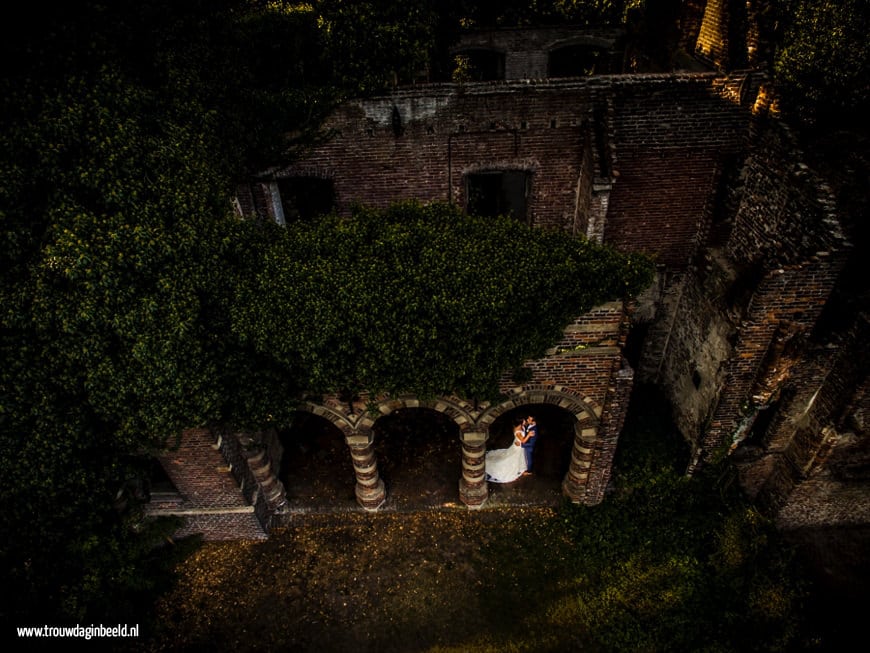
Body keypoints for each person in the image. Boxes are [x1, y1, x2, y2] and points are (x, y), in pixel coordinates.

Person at [484, 417, 527, 483]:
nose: (525, 421)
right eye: (524, 420)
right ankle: (514, 471)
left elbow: (519, 438)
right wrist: (529, 435)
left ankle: (521, 469)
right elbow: (523, 440)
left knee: (519, 458)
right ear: (520, 423)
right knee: (514, 458)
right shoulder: (518, 431)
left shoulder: (520, 427)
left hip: (517, 444)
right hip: (518, 447)